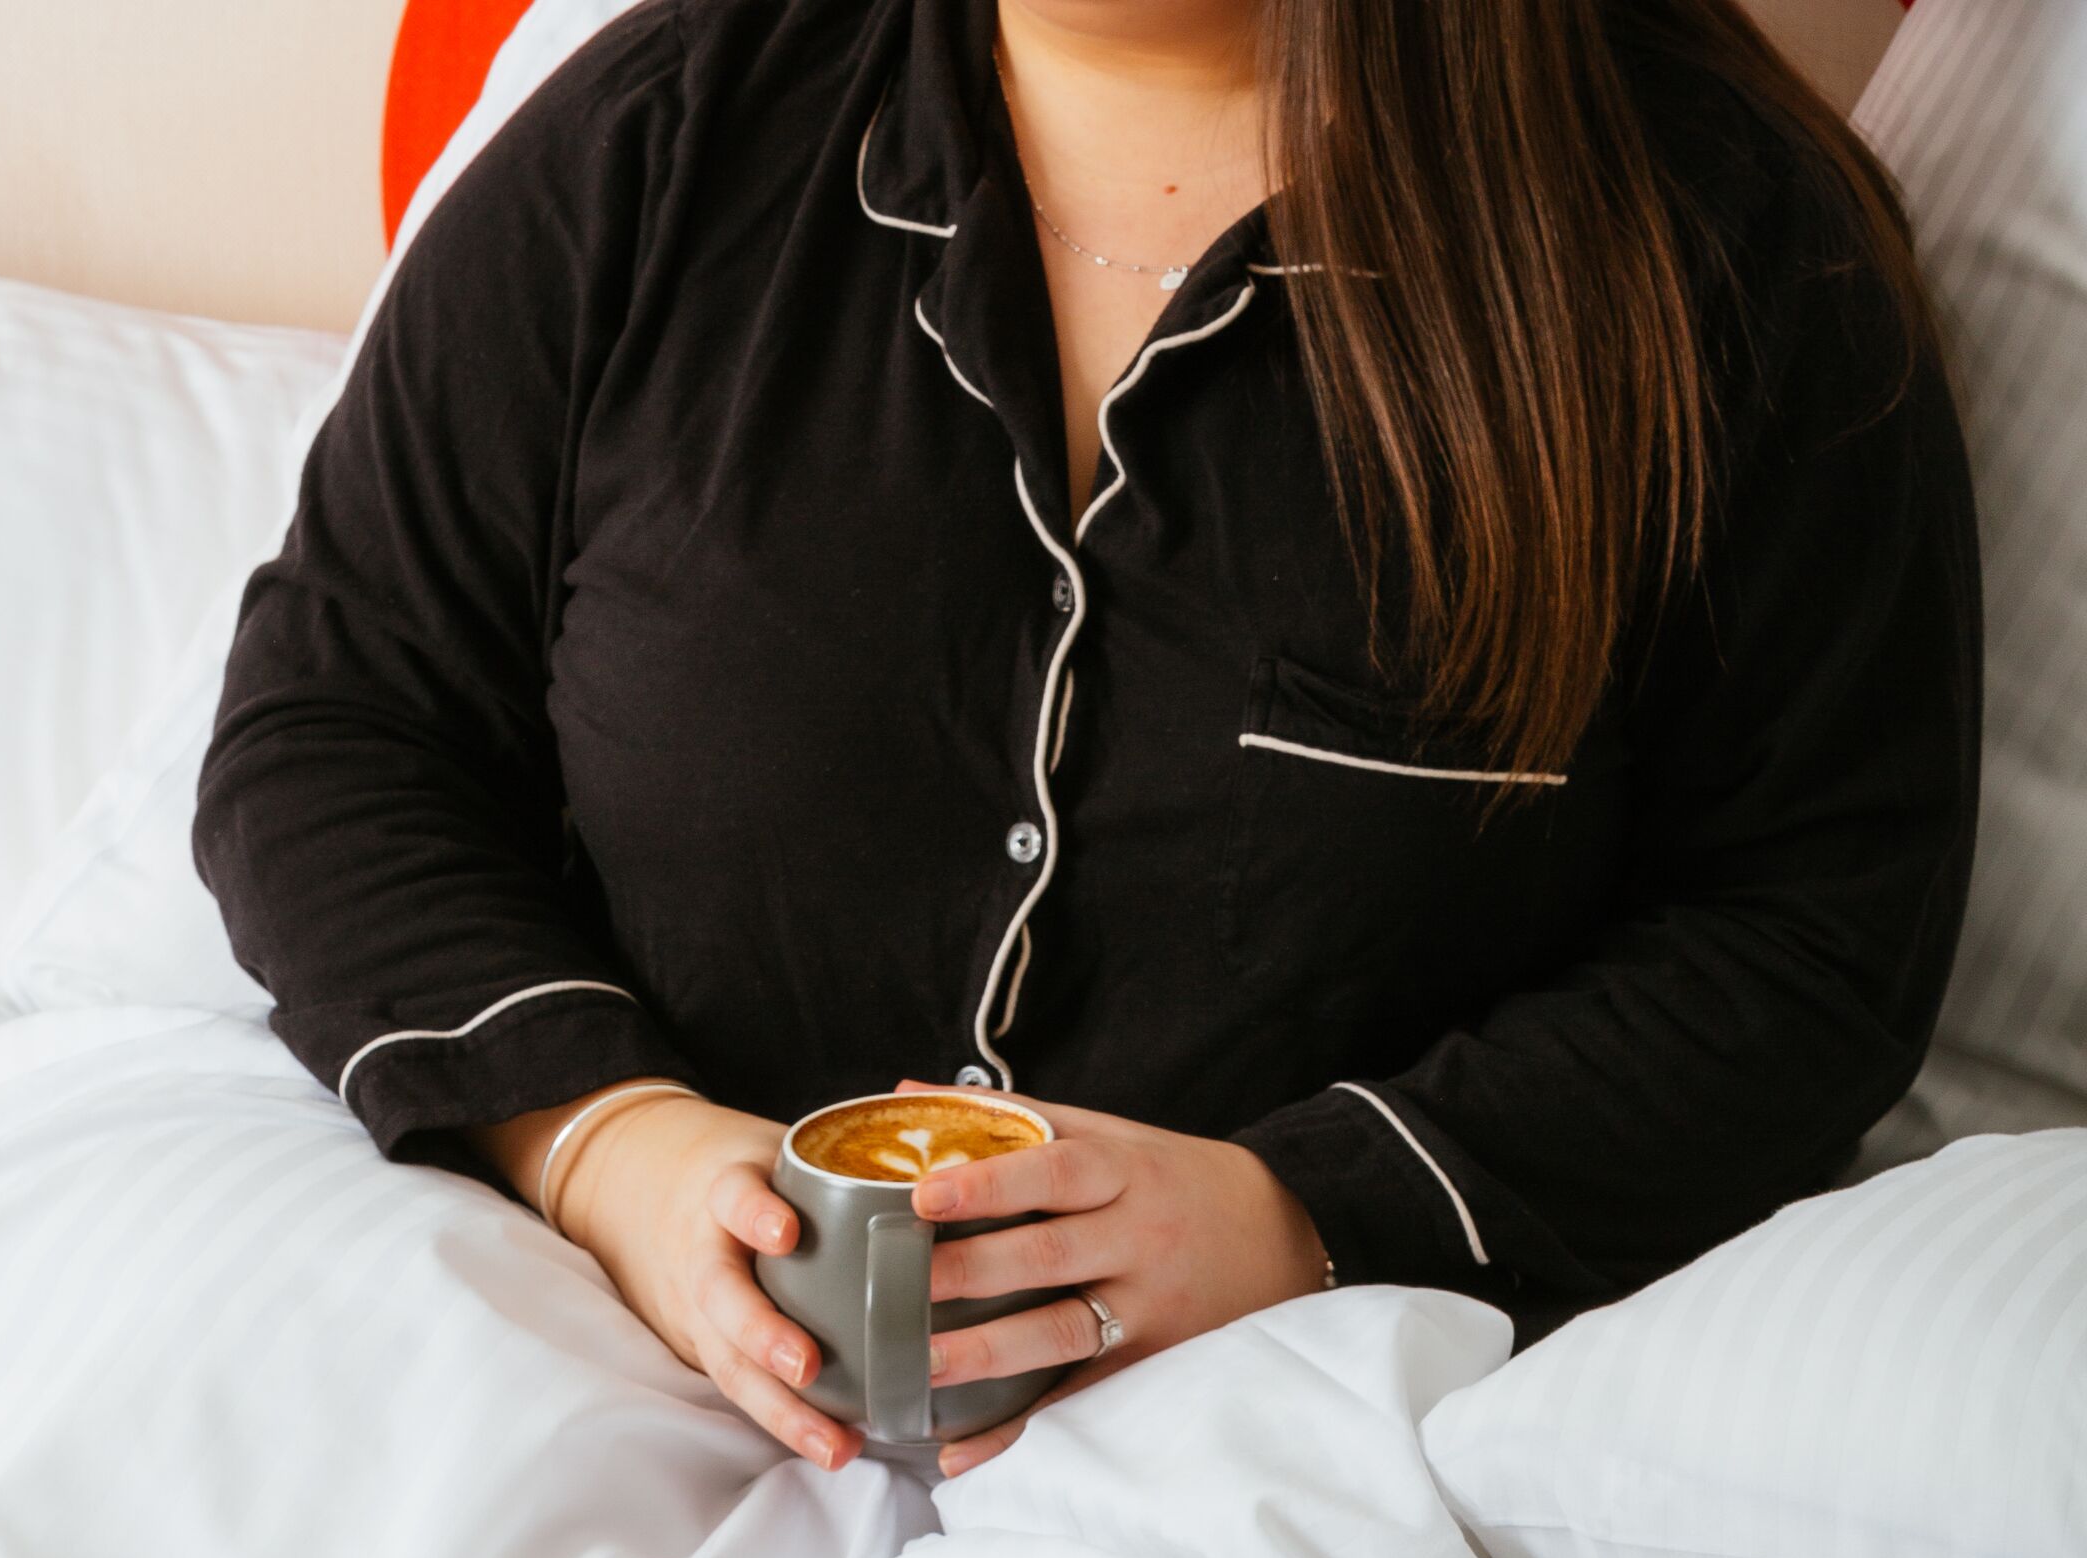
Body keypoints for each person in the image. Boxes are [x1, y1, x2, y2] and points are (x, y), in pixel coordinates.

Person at [195, 0, 1978, 1476]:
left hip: (1310, 1471)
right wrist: (603, 1146)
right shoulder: (657, 144)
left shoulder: (1731, 256)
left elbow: (1814, 934)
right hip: (591, 1391)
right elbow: (338, 726)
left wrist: (1300, 1212)